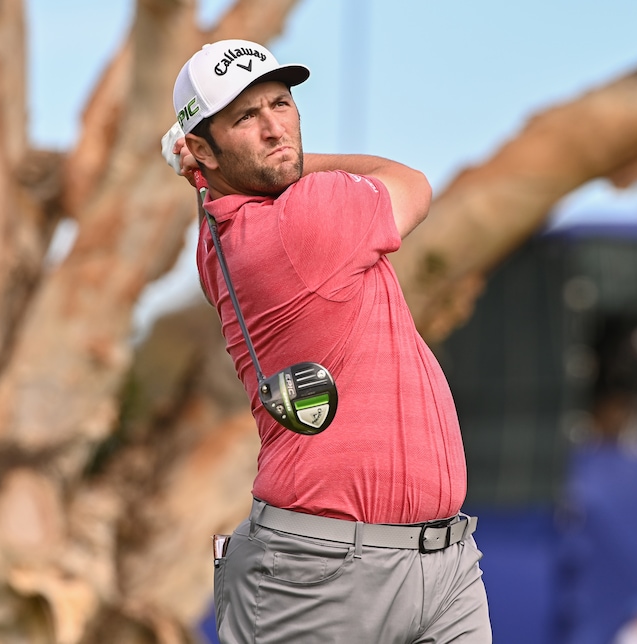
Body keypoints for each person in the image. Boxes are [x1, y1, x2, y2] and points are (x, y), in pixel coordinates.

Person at [163, 39, 491, 643]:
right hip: (323, 572)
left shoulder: (218, 233)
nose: (274, 128)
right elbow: (410, 182)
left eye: (280, 104)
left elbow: (230, 188)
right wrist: (290, 160)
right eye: (246, 117)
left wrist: (217, 165)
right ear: (202, 148)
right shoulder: (303, 218)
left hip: (445, 568)